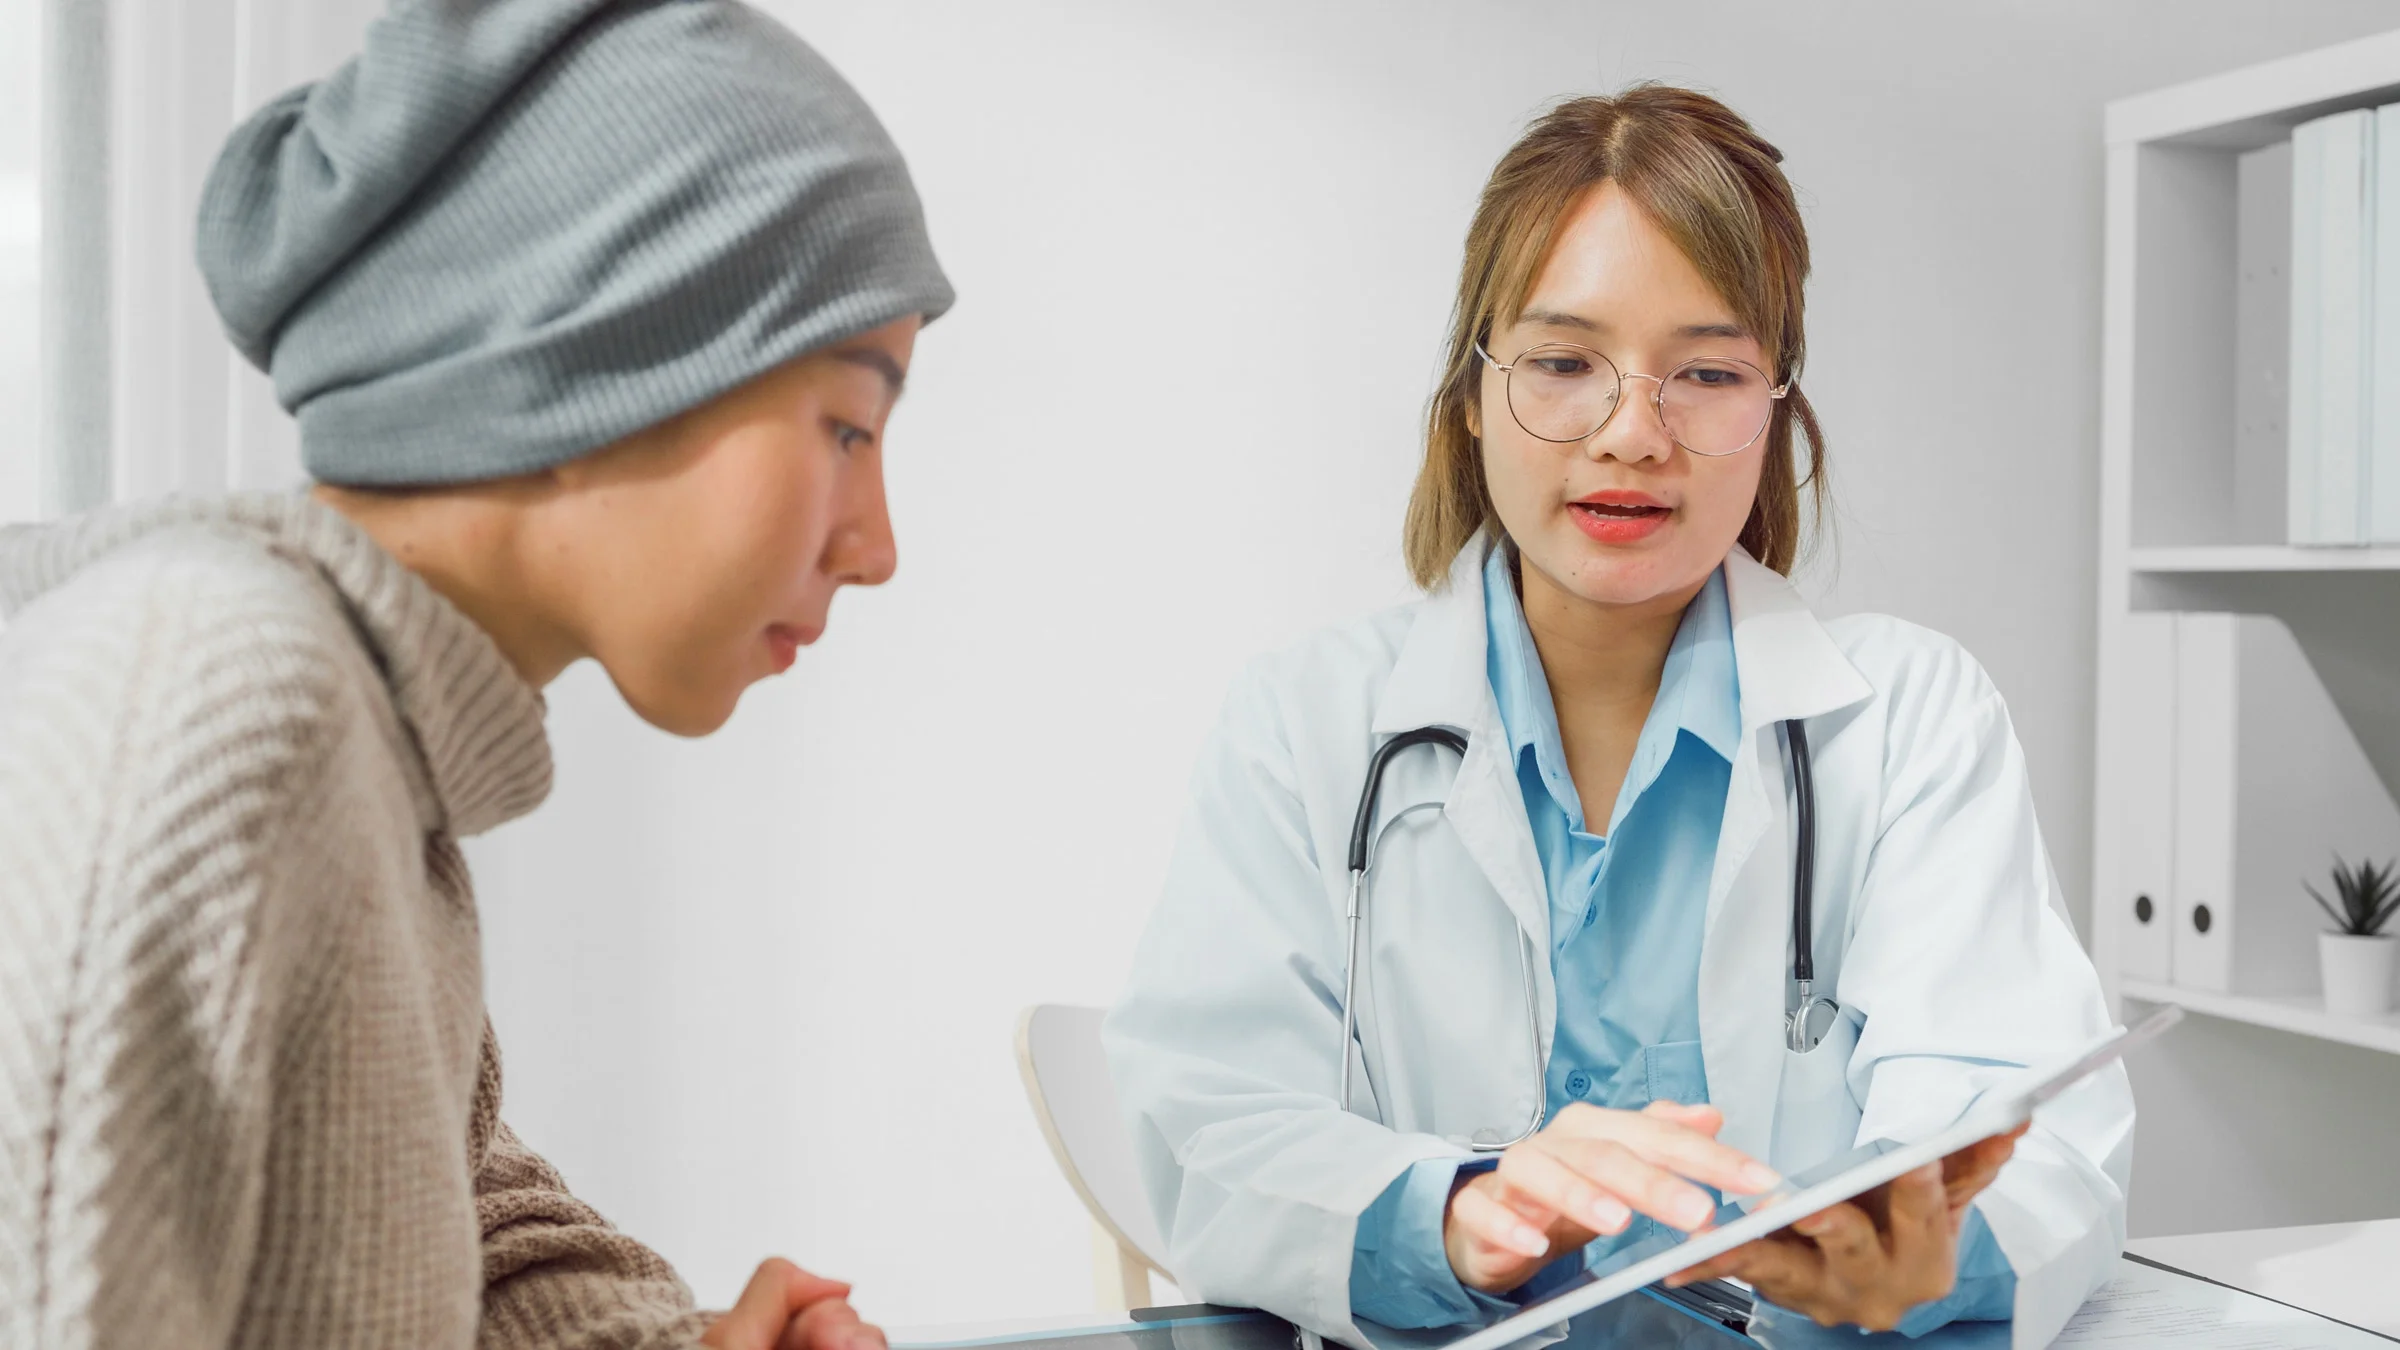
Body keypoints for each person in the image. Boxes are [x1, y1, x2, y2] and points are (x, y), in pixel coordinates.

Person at [1103, 85, 2131, 1347]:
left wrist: (1933, 1256)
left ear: (1775, 414)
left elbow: (2036, 1140)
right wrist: (1454, 1219)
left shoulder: (1911, 720)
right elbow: (1209, 1129)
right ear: (1473, 397)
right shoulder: (1305, 724)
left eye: (1707, 372)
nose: (1634, 433)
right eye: (1563, 363)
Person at [0, 3, 950, 1348]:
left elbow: (437, 1207)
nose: (878, 548)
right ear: (585, 360)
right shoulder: (215, 699)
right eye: (849, 425)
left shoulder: (376, 764)